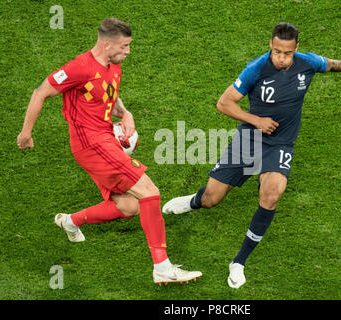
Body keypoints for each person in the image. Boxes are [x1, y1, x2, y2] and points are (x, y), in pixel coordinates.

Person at [162, 22, 341, 288]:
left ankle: (238, 262)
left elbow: (329, 64)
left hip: (281, 143)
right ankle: (193, 201)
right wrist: (257, 120)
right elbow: (224, 103)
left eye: (286, 53)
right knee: (211, 199)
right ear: (270, 46)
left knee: (272, 193)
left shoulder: (307, 63)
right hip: (250, 138)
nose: (281, 58)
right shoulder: (256, 68)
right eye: (276, 52)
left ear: (296, 48)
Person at [17, 18, 202, 285]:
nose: (128, 51)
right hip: (91, 145)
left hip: (105, 140)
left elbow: (110, 97)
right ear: (107, 44)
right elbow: (39, 93)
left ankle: (70, 221)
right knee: (150, 192)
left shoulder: (113, 66)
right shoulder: (79, 68)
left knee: (129, 206)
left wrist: (126, 114)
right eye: (124, 46)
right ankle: (162, 267)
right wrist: (26, 133)